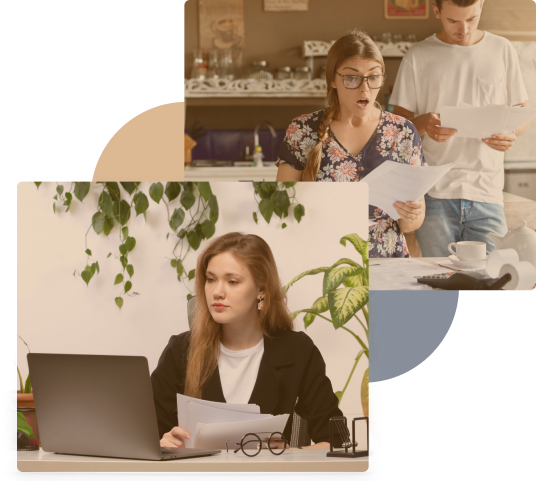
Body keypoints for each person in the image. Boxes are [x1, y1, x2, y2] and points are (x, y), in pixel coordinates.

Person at [151, 232, 344, 450]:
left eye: (232, 281)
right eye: (211, 279)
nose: (217, 292)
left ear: (261, 290)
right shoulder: (180, 351)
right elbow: (145, 437)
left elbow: (337, 441)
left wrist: (290, 454)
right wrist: (162, 443)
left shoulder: (298, 350)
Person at [390, 0, 531, 257]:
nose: (463, 29)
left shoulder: (502, 49)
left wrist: (511, 133)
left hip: (487, 191)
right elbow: (399, 126)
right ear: (437, 11)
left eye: (471, 19)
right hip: (434, 193)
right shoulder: (418, 54)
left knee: (492, 278)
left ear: (481, 7)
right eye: (453, 21)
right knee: (442, 285)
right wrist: (424, 124)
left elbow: (522, 114)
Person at [275, 29, 426, 258]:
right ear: (333, 80)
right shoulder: (303, 129)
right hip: (324, 261)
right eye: (352, 77)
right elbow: (281, 209)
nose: (364, 88)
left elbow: (410, 225)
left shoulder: (403, 132)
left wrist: (412, 214)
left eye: (373, 77)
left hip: (387, 263)